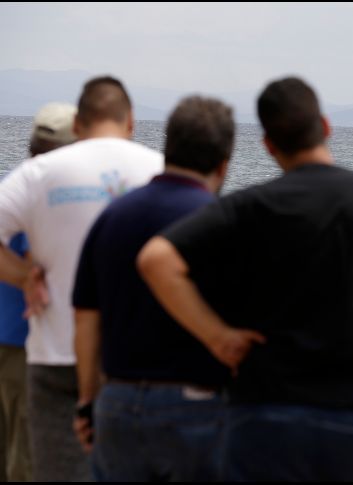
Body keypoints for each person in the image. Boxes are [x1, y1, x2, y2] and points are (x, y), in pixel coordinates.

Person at [138, 77, 353, 481]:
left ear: (268, 145)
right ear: (326, 127)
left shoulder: (249, 207)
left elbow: (156, 259)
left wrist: (217, 336)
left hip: (264, 419)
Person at [0, 76, 163, 481]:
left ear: (79, 125)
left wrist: (24, 277)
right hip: (132, 355)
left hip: (53, 352)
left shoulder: (37, 173)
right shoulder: (159, 170)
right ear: (131, 123)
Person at [71, 95, 240, 481]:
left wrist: (87, 400)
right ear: (223, 164)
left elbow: (85, 316)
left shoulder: (113, 216)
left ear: (168, 149)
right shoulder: (221, 223)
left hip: (118, 401)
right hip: (197, 406)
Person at [0, 102, 77, 482]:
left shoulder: (14, 184)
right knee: (27, 456)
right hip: (25, 342)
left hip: (8, 335)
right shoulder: (46, 197)